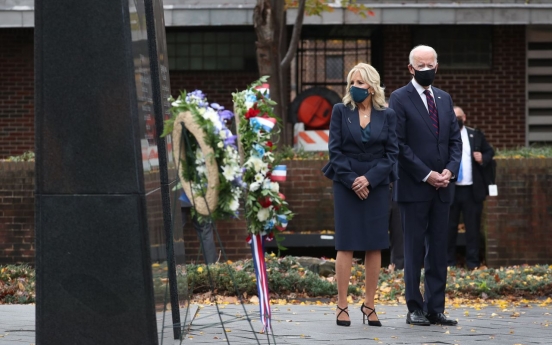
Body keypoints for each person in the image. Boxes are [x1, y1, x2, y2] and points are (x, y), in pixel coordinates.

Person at [388, 45, 462, 326]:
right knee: (414, 250)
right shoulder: (399, 98)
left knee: (439, 250)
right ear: (411, 69)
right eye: (421, 66)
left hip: (443, 188)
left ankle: (436, 308)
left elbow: (455, 141)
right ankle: (414, 308)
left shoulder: (444, 98)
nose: (427, 70)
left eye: (431, 65)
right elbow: (399, 144)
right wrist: (427, 173)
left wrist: (449, 171)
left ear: (437, 66)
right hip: (414, 188)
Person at [322, 63, 399, 327]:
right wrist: (354, 180)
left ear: (372, 86)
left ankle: (369, 304)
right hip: (346, 182)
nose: (355, 87)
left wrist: (370, 178)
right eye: (352, 82)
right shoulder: (340, 111)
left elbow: (392, 154)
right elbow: (335, 151)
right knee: (346, 243)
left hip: (376, 183)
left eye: (360, 83)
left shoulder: (387, 115)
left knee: (375, 243)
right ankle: (342, 304)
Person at [447, 106, 495, 270]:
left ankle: (473, 263)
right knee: (449, 228)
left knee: (473, 229)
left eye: (458, 117)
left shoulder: (475, 135)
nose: (456, 120)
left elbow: (490, 152)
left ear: (464, 117)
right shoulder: (444, 135)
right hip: (451, 190)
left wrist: (482, 157)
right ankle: (449, 263)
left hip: (471, 191)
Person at [180, 192, 218, 264]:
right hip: (198, 193)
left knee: (175, 232)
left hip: (178, 194)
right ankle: (212, 267)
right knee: (205, 231)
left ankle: (172, 270)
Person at [388, 182, 404, 270]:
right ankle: (372, 273)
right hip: (378, 189)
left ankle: (398, 269)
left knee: (400, 234)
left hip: (401, 189)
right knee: (374, 237)